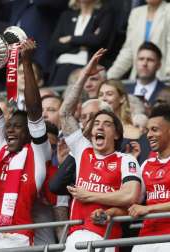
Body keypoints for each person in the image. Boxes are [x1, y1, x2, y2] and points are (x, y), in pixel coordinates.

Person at [59, 49, 142, 252]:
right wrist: (85, 75)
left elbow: (130, 196)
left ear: (116, 134)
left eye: (106, 124)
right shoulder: (83, 150)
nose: (99, 127)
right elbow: (65, 113)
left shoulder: (126, 160)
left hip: (105, 239)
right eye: (96, 123)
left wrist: (90, 195)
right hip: (73, 237)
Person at [0, 39, 51, 249]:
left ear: (29, 132)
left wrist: (26, 62)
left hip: (17, 240)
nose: (9, 130)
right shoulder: (0, 148)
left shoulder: (38, 152)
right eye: (8, 126)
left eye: (17, 127)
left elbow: (34, 110)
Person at [127, 105, 170, 252]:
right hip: (146, 237)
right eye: (147, 130)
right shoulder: (146, 164)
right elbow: (133, 200)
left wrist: (147, 209)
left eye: (155, 129)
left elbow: (142, 207)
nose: (149, 135)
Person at [49, 0, 114, 86]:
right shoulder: (67, 15)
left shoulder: (104, 15)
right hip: (62, 66)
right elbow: (53, 45)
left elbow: (98, 40)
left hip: (85, 66)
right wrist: (82, 45)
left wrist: (70, 38)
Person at [107, 0, 170, 81]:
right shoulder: (136, 13)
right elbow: (128, 51)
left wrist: (168, 75)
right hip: (139, 77)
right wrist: (109, 76)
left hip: (163, 77)